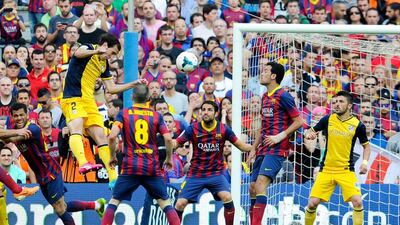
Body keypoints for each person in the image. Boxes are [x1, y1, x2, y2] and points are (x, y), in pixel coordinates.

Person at [61, 33, 146, 189]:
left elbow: (112, 89)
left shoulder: (104, 65)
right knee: (77, 126)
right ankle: (83, 162)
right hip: (72, 97)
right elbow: (76, 53)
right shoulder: (88, 48)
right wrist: (96, 51)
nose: (112, 57)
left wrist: (133, 84)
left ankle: (113, 178)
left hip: (88, 101)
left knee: (101, 136)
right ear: (104, 46)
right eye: (112, 53)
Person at [3, 103, 106, 225]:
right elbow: (6, 137)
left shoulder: (32, 129)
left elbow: (10, 138)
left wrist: (8, 134)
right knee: (62, 207)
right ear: (11, 116)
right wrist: (10, 134)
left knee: (60, 209)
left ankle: (96, 205)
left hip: (50, 172)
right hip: (41, 176)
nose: (19, 118)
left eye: (21, 115)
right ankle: (97, 204)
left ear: (27, 115)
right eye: (15, 116)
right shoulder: (16, 129)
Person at [102, 84, 181, 225]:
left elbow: (112, 136)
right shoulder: (156, 116)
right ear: (149, 98)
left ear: (132, 97)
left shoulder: (124, 114)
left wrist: (113, 157)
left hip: (130, 166)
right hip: (152, 167)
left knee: (114, 201)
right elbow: (168, 139)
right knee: (166, 203)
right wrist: (169, 158)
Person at [173, 100, 252, 225]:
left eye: (209, 110)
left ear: (216, 113)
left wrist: (257, 147)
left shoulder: (223, 129)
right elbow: (176, 144)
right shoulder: (192, 129)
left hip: (216, 173)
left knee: (227, 197)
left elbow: (242, 146)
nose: (206, 112)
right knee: (180, 203)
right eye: (203, 109)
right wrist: (165, 143)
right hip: (195, 174)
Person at [248, 61, 303, 225]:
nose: (261, 73)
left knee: (260, 185)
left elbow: (299, 121)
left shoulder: (284, 96)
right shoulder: (265, 96)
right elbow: (263, 126)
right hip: (262, 148)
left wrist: (280, 136)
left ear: (273, 76)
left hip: (277, 149)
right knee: (252, 188)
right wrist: (253, 148)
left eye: (265, 71)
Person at [303, 91, 370, 225]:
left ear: (349, 105)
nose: (337, 105)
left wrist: (364, 162)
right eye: (335, 102)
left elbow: (366, 146)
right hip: (326, 169)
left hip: (346, 170)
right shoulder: (327, 119)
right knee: (312, 203)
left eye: (341, 102)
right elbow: (311, 131)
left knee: (357, 201)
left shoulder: (358, 125)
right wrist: (309, 135)